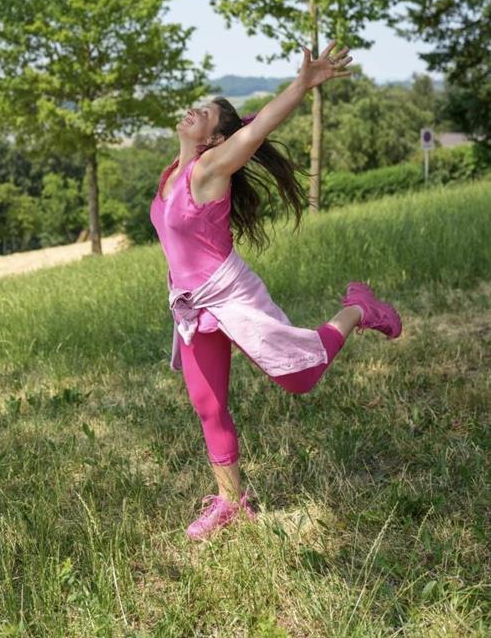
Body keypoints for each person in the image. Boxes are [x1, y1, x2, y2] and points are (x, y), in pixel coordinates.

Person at [149, 41, 403, 541]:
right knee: (208, 403)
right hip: (193, 307)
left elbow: (260, 125)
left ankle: (357, 309)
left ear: (218, 138)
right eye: (199, 106)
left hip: (229, 295)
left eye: (209, 113)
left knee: (301, 378)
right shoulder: (172, 175)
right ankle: (230, 502)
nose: (196, 110)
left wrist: (303, 84)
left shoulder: (211, 169)